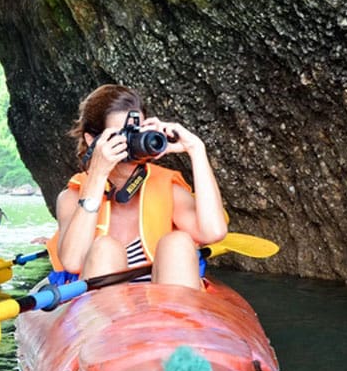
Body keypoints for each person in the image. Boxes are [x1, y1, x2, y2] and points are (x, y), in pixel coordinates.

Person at [52, 84, 228, 290]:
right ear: (92, 140)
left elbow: (213, 233)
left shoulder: (166, 188)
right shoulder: (71, 198)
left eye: (137, 132)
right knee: (105, 248)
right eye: (121, 135)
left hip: (168, 310)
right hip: (103, 312)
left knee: (178, 243)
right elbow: (72, 261)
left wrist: (196, 149)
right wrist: (98, 175)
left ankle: (176, 320)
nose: (131, 142)